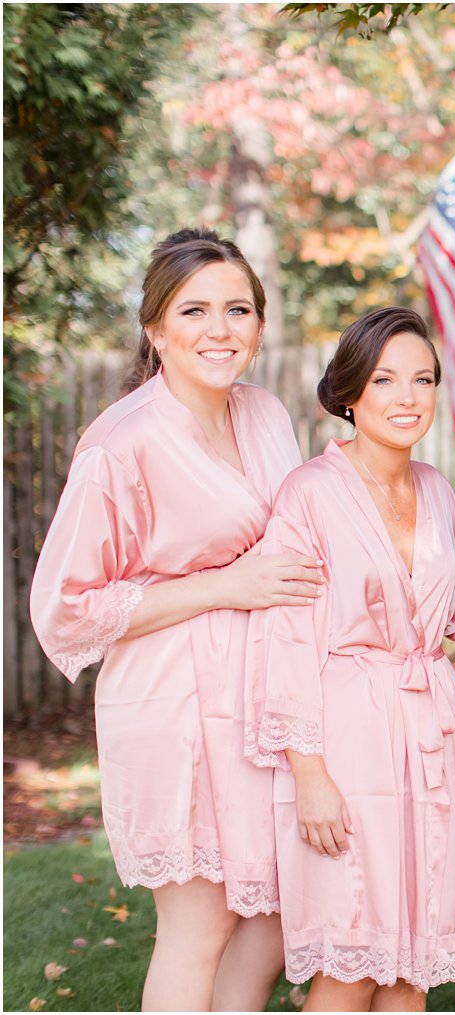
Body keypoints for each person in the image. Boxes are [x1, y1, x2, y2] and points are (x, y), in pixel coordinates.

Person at [30, 228, 323, 1010]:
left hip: (262, 696)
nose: (219, 329)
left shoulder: (265, 415)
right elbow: (66, 605)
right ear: (157, 329)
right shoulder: (121, 444)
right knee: (199, 924)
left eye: (238, 308)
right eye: (194, 310)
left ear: (261, 323)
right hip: (173, 703)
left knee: (269, 917)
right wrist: (225, 585)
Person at [244, 308, 455, 1009]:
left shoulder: (440, 491)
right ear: (350, 390)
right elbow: (284, 641)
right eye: (386, 379)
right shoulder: (309, 493)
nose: (408, 397)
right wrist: (309, 773)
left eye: (423, 379)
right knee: (350, 959)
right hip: (346, 737)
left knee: (413, 962)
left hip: (430, 730)